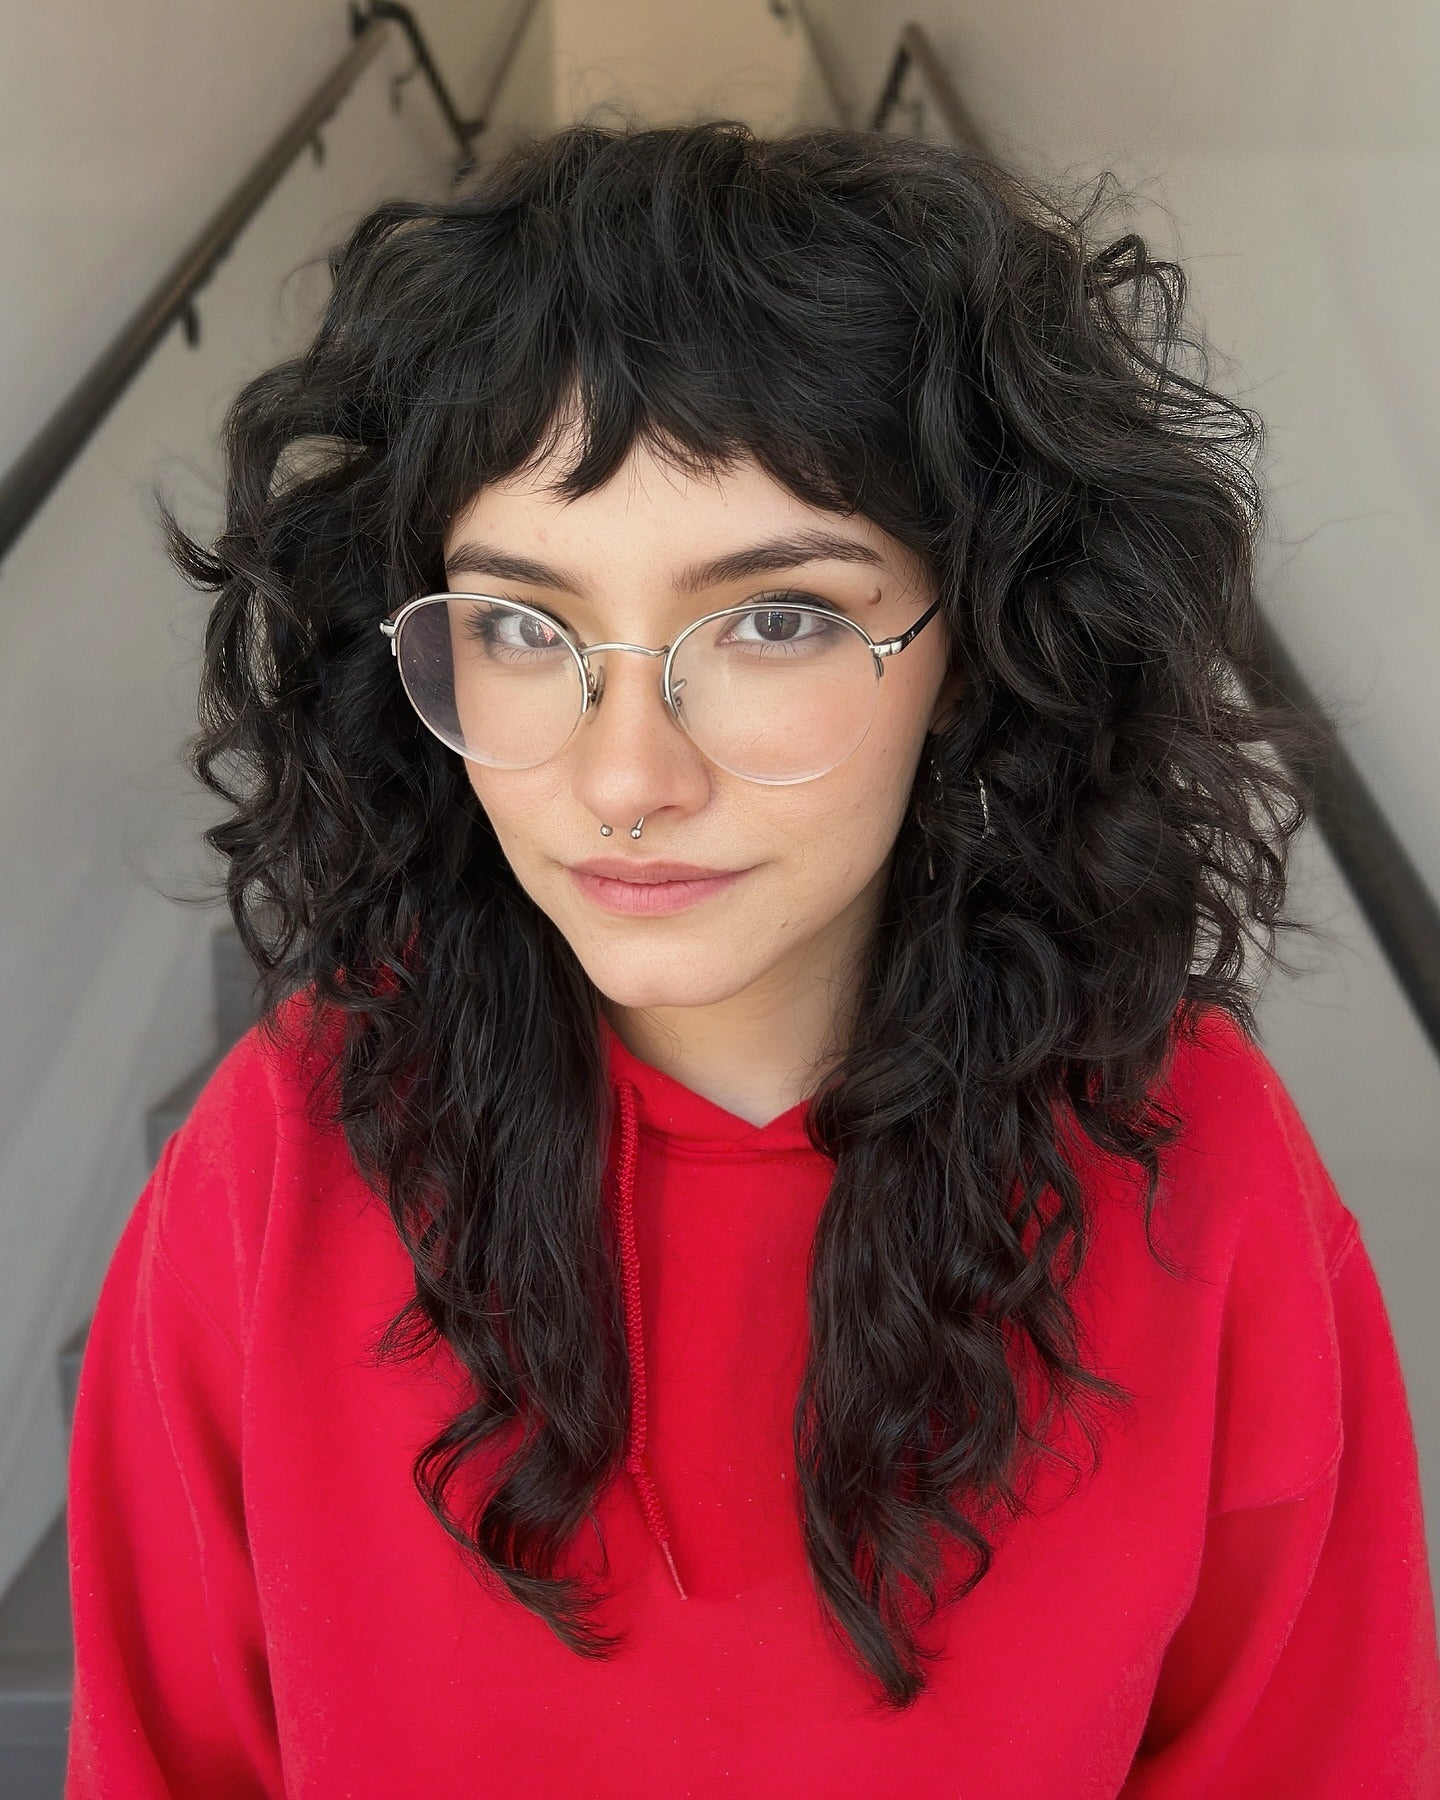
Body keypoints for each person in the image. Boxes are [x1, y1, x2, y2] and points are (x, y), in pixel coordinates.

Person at [66, 118, 1440, 1796]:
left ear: (984, 645)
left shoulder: (1199, 1169)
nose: (627, 774)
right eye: (520, 622)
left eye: (775, 618)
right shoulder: (280, 1164)